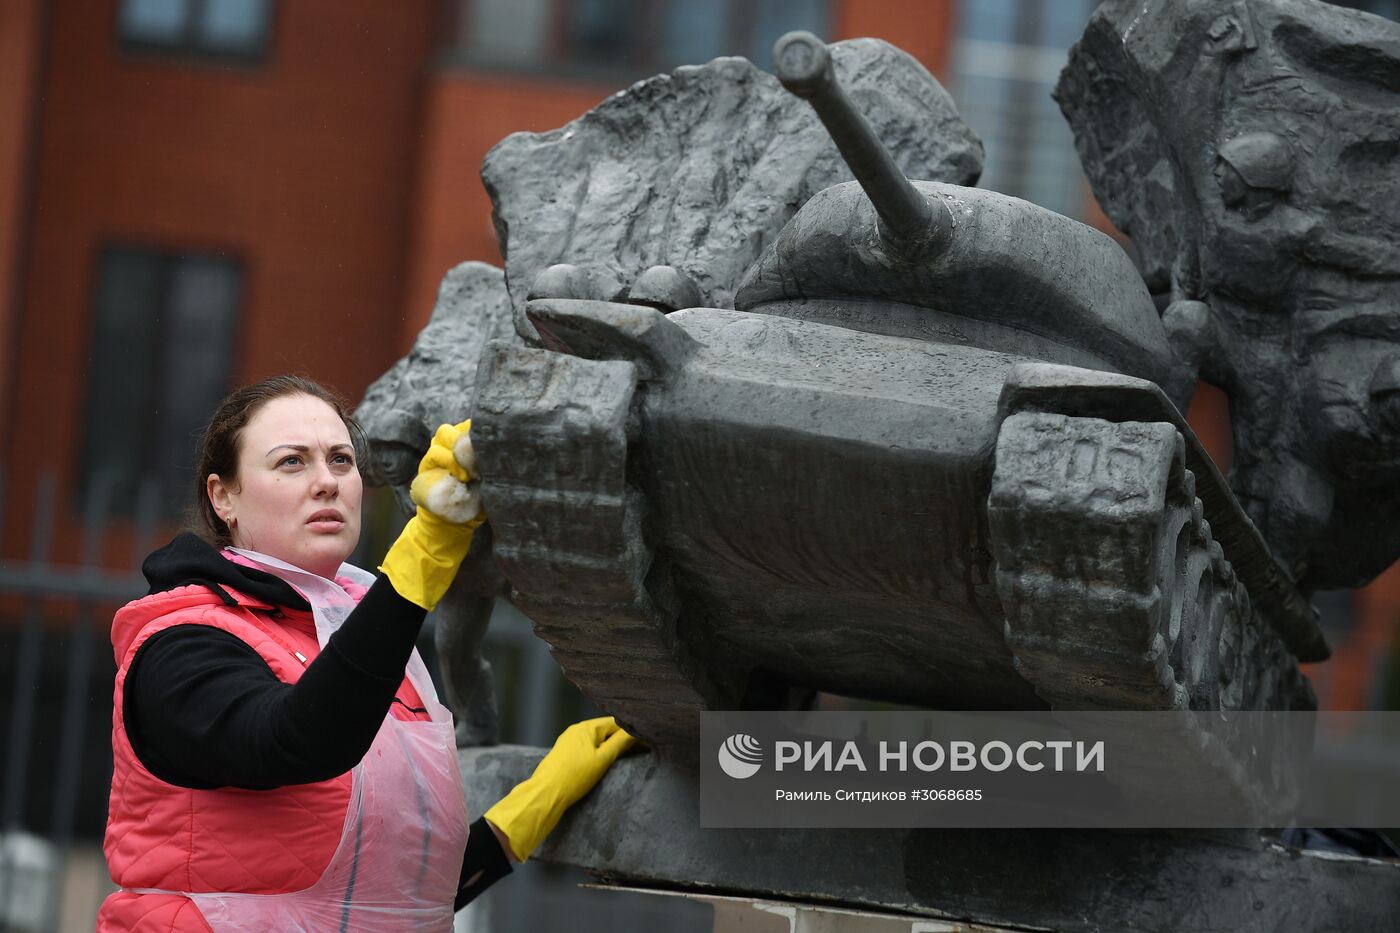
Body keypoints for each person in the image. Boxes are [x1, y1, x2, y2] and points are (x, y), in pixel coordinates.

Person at [98, 375, 635, 931]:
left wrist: (522, 817)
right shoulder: (178, 644)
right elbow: (297, 741)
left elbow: (386, 901)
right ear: (223, 497)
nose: (326, 482)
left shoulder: (363, 637)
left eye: (340, 460)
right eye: (291, 462)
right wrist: (421, 557)